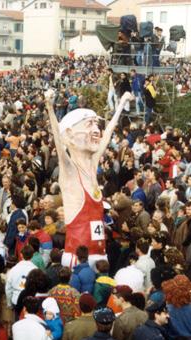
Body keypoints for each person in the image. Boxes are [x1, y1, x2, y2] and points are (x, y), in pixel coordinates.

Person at [45, 89, 133, 267]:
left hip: (100, 256)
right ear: (69, 134)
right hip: (78, 260)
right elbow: (58, 142)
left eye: (96, 124)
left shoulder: (92, 166)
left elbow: (107, 134)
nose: (96, 130)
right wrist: (50, 107)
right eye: (88, 125)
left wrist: (121, 105)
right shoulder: (69, 171)